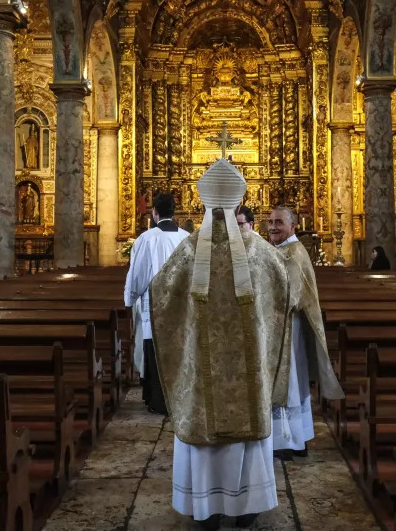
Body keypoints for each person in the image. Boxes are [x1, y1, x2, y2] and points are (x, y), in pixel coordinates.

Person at [149, 159, 291, 529]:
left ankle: (204, 506)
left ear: (204, 204)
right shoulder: (261, 253)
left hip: (203, 380)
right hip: (248, 379)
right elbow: (282, 294)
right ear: (237, 204)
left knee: (204, 422)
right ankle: (246, 506)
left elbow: (160, 295)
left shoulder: (186, 254)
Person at [267, 206, 344, 460]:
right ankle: (296, 439)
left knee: (288, 383)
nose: (273, 227)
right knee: (290, 383)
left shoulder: (294, 252)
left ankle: (287, 442)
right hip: (283, 328)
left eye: (279, 222)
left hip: (288, 328)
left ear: (293, 225)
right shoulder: (282, 250)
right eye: (270, 222)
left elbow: (292, 295)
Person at [124, 192, 189, 415]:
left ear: (155, 213)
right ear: (174, 212)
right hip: (181, 308)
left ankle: (157, 400)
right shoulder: (186, 238)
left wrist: (130, 298)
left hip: (154, 307)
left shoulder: (146, 239)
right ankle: (180, 399)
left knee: (154, 349)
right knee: (179, 350)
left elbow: (138, 275)